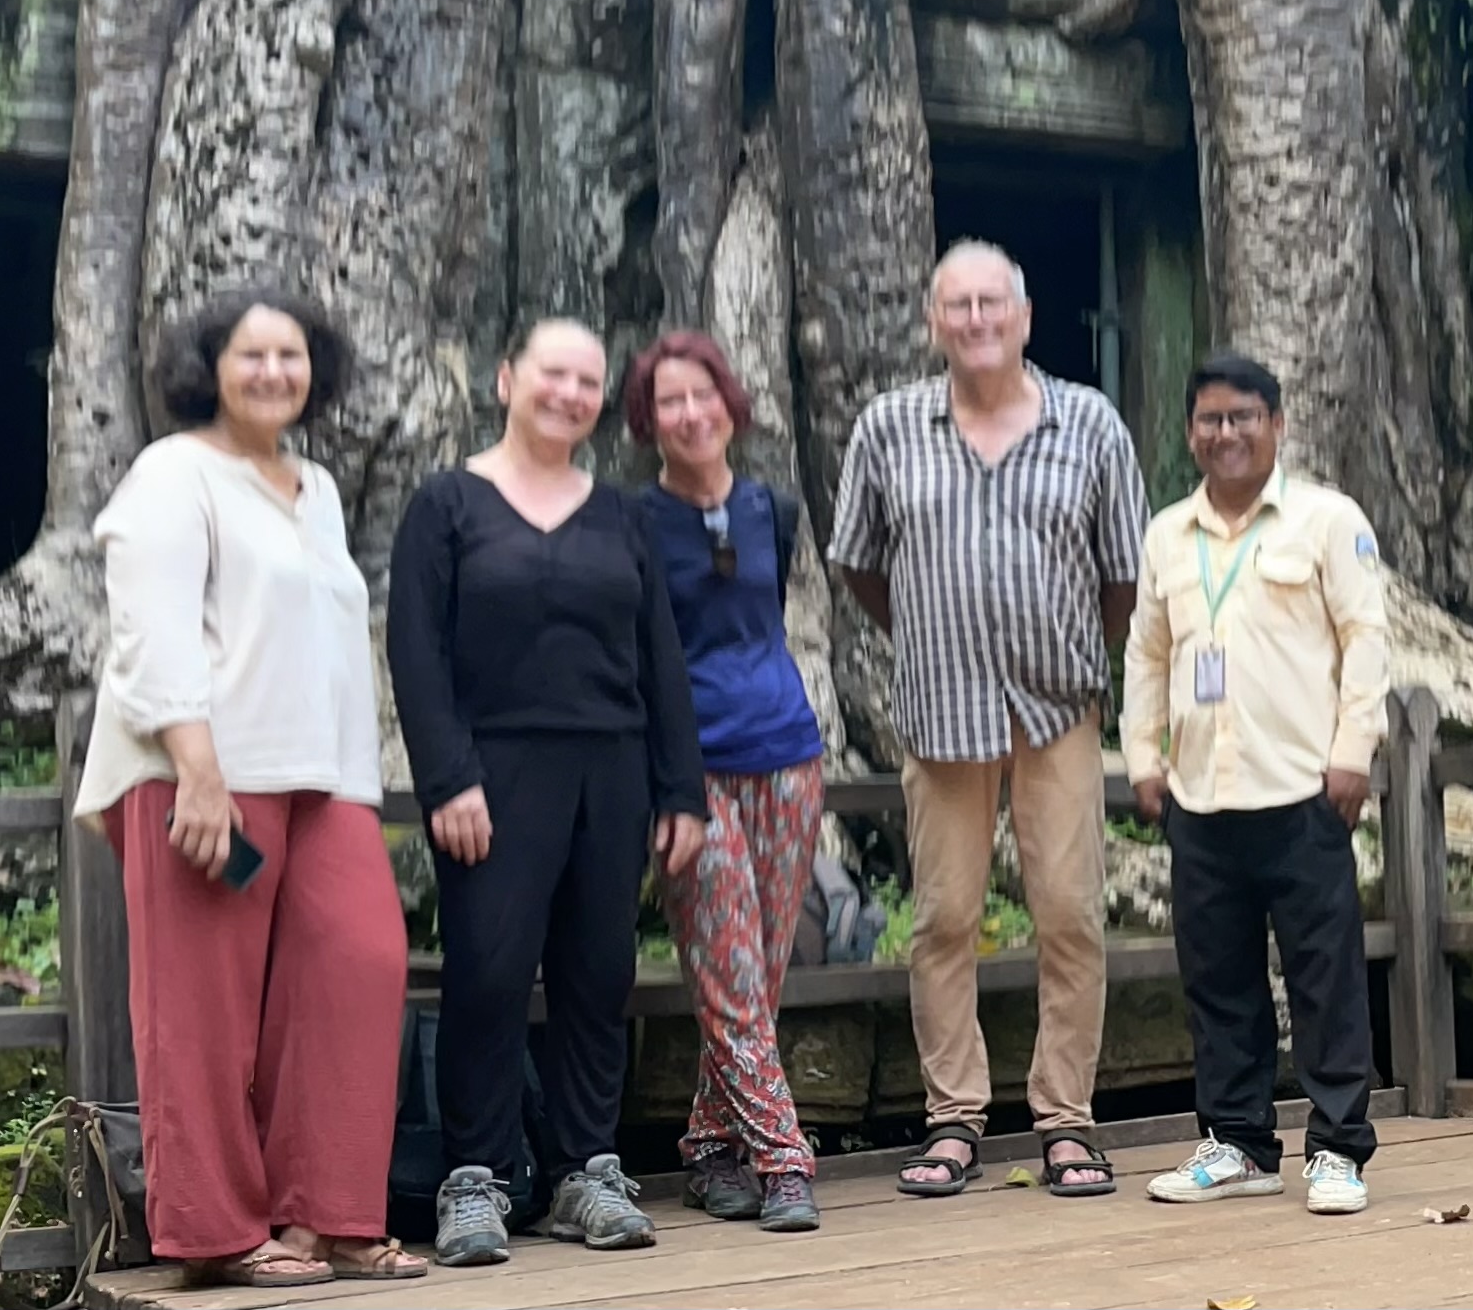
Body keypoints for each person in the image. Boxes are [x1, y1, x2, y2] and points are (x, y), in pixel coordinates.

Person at [76, 282, 418, 1293]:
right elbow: (151, 625)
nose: (274, 371)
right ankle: (219, 1232)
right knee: (202, 1011)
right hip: (201, 773)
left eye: (291, 355)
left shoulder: (314, 486)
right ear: (209, 368)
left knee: (360, 959)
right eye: (251, 354)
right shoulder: (172, 473)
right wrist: (196, 766)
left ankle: (328, 1215)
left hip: (321, 776)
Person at [828, 238, 1145, 1201]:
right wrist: (933, 632)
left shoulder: (1088, 422)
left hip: (1057, 705)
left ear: (1023, 315)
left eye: (989, 303)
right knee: (944, 919)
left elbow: (1123, 571)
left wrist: (1075, 655)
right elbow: (860, 565)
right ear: (933, 321)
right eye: (955, 305)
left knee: (1070, 913)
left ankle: (1066, 1121)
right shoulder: (887, 427)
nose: (974, 320)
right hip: (939, 708)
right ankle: (953, 1119)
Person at [387, 317, 707, 1269]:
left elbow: (661, 658)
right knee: (487, 969)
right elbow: (415, 653)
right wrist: (447, 775)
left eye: (587, 380)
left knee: (597, 972)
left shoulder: (623, 516)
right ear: (506, 378)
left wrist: (678, 788)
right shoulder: (445, 504)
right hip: (492, 774)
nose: (569, 393)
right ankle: (474, 1175)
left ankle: (585, 1168)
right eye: (551, 373)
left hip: (609, 769)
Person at [1125, 348, 1389, 1224]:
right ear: (1190, 430)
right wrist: (1143, 757)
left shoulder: (1325, 520)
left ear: (1276, 424)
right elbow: (1147, 653)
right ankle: (1237, 1143)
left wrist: (1353, 750)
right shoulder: (1168, 533)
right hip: (1201, 794)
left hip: (1304, 790)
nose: (1225, 432)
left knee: (1324, 978)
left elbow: (1364, 638)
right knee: (1218, 980)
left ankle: (1338, 1147)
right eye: (1209, 418)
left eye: (1243, 416)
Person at [624, 326, 825, 1235]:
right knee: (731, 967)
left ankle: (711, 1145)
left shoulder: (769, 510)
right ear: (647, 420)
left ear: (730, 406)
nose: (689, 412)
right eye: (669, 400)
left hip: (787, 756)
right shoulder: (630, 521)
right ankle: (784, 1157)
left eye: (701, 394)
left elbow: (766, 617)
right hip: (689, 770)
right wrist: (664, 786)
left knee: (756, 973)